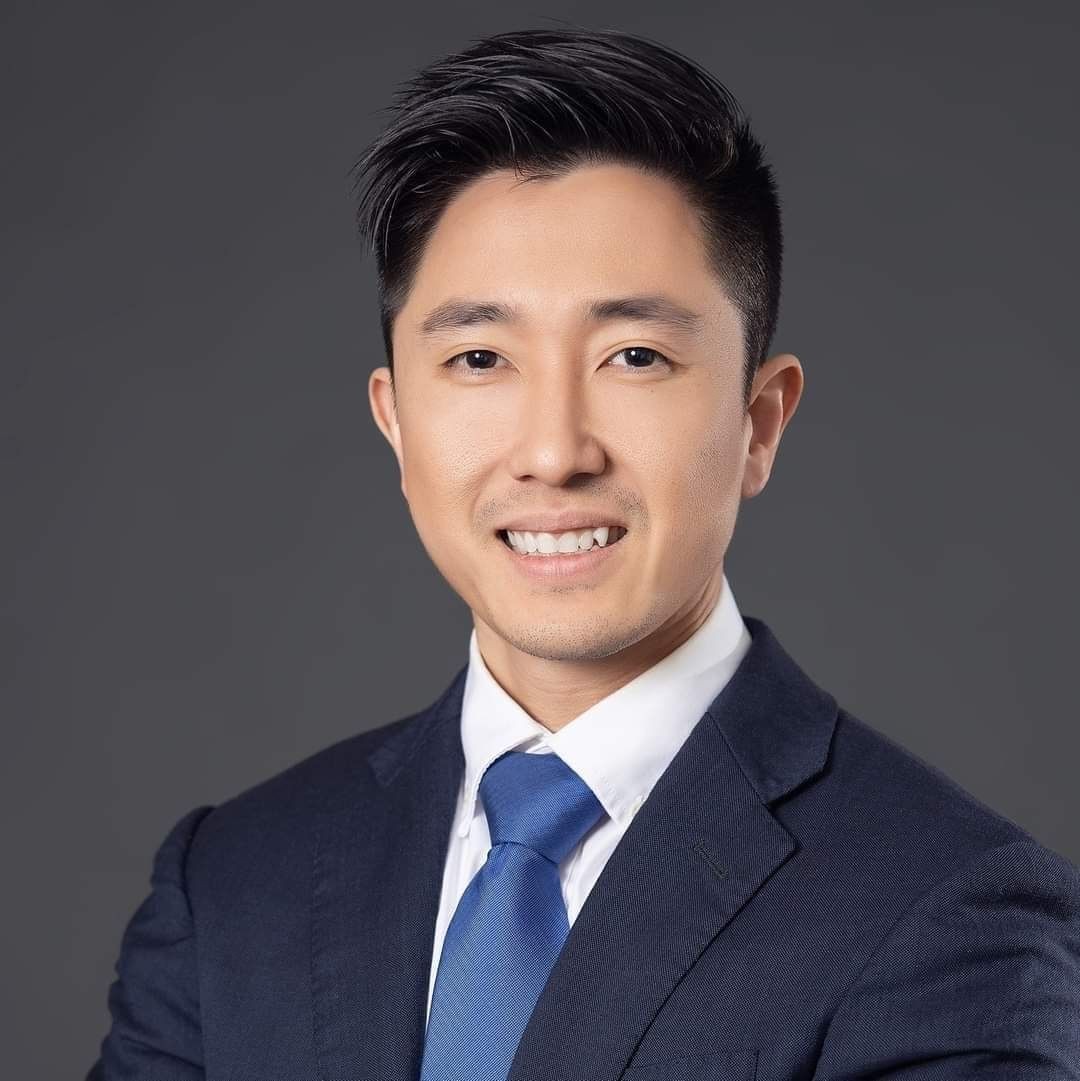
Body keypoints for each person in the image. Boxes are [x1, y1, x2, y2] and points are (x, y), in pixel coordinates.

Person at [86, 26, 1080, 1081]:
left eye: (635, 355)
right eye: (479, 358)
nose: (555, 451)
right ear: (396, 423)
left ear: (760, 421)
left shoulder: (952, 912)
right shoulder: (233, 880)